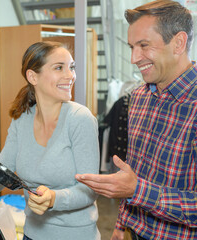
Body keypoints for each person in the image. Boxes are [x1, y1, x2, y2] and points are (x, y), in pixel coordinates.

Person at [0, 41, 101, 239]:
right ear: (32, 76)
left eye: (71, 68)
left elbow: (90, 189)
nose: (70, 75)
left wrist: (54, 198)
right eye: (59, 68)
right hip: (32, 234)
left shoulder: (80, 119)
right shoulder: (22, 120)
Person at [75, 1, 197, 239]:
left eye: (143, 45)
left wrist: (138, 190)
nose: (133, 58)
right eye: (132, 46)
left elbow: (135, 186)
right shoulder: (139, 98)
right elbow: (133, 172)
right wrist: (122, 223)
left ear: (179, 43)